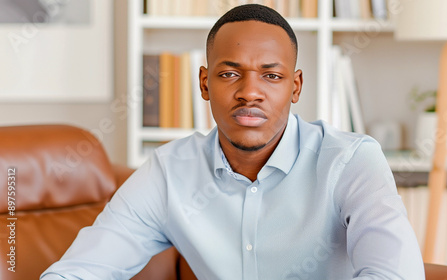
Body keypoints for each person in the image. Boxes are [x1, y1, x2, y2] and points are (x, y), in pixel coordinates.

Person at [41, 4, 424, 279]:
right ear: (205, 83)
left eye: (271, 77)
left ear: (296, 87)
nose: (249, 93)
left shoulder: (351, 161)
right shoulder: (169, 172)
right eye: (229, 74)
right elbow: (80, 271)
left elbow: (393, 273)